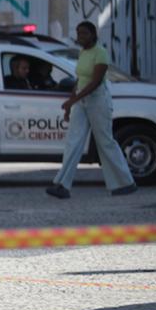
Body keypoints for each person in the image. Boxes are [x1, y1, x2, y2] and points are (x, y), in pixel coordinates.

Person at [46, 21, 137, 199]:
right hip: (82, 100)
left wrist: (74, 100)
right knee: (74, 141)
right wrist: (71, 102)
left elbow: (95, 83)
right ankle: (62, 185)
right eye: (79, 33)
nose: (81, 37)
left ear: (93, 34)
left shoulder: (100, 53)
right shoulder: (83, 53)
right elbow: (80, 79)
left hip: (98, 101)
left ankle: (125, 183)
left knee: (105, 142)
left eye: (85, 34)